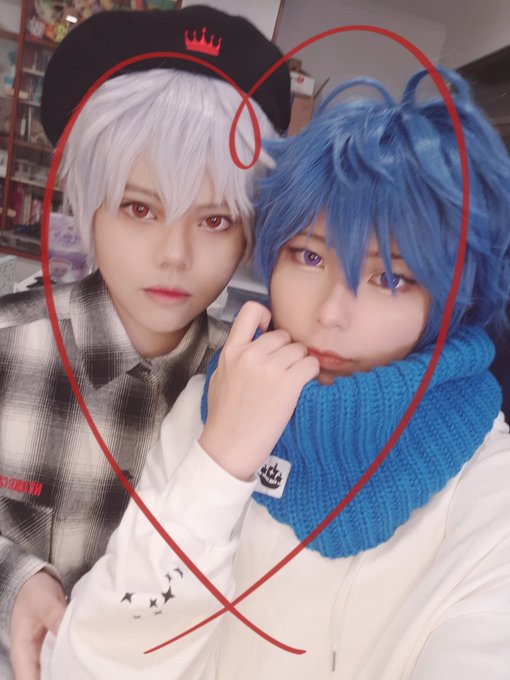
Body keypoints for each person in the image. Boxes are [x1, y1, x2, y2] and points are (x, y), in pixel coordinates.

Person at [44, 68, 510, 679]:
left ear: (451, 297)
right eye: (309, 256)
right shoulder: (220, 398)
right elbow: (88, 663)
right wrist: (220, 462)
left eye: (390, 278)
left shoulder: (488, 485)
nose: (331, 313)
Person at [0, 6, 290, 679]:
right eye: (139, 208)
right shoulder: (10, 348)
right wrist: (16, 577)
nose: (174, 254)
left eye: (214, 219)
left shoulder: (256, 385)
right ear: (90, 206)